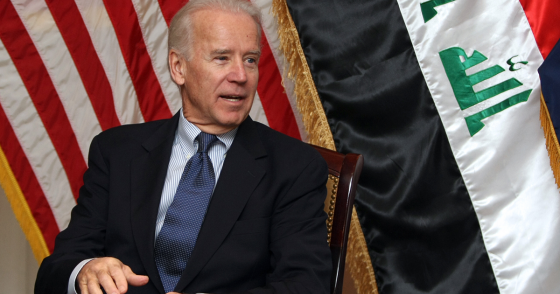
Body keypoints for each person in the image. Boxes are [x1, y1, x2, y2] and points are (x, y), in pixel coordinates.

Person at [35, 0, 331, 293]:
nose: (241, 75)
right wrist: (85, 271)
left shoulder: (294, 166)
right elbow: (58, 268)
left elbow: (306, 284)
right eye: (222, 58)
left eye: (250, 59)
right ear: (178, 67)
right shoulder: (116, 152)